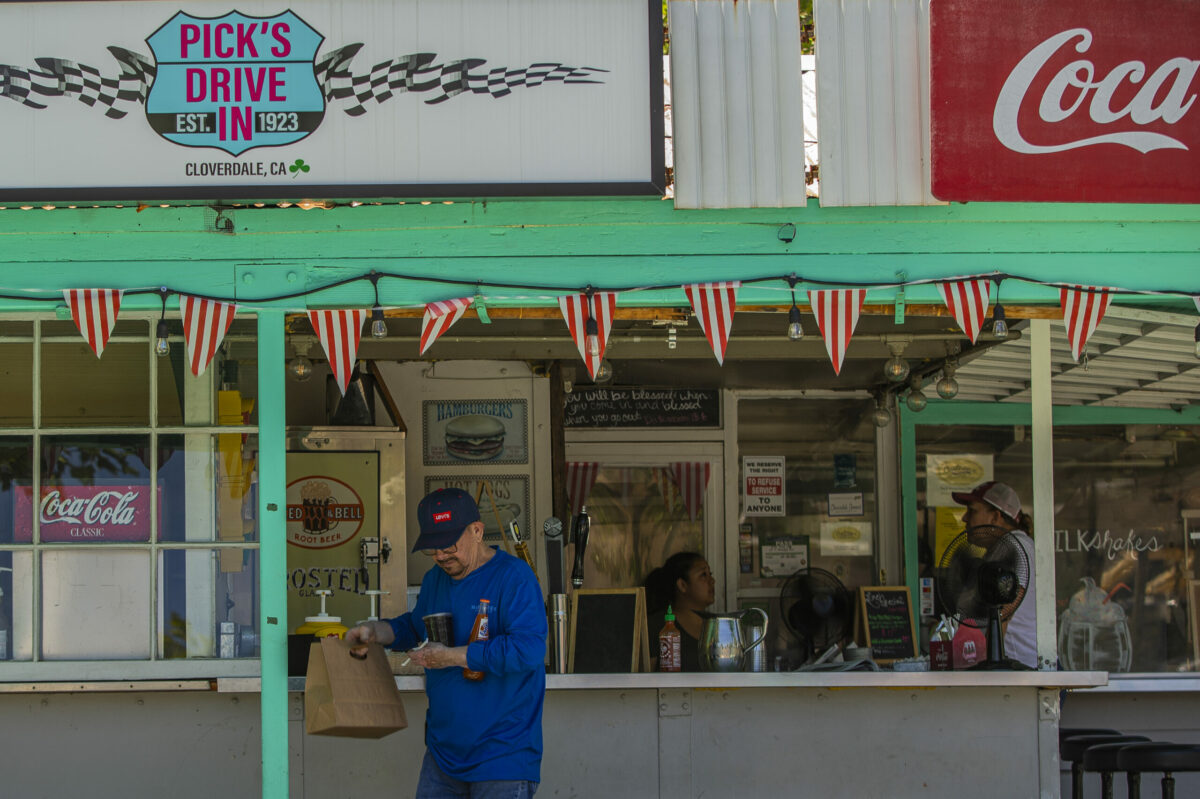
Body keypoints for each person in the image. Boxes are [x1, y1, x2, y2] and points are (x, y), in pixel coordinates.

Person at [346, 487, 547, 798]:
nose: (440, 556)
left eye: (449, 545)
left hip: (503, 757)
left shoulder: (515, 577)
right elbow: (413, 628)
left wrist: (453, 657)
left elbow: (529, 650)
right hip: (443, 756)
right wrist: (374, 632)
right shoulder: (434, 580)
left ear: (477, 531)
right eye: (432, 548)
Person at [951, 481, 1037, 669]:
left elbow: (1004, 611)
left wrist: (990, 668)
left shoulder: (1016, 547)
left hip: (1016, 671)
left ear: (996, 517)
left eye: (972, 511)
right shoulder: (1001, 549)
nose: (965, 518)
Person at [643, 551, 716, 671]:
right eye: (703, 575)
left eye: (710, 574)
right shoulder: (657, 626)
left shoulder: (717, 624)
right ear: (682, 585)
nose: (712, 581)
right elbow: (645, 680)